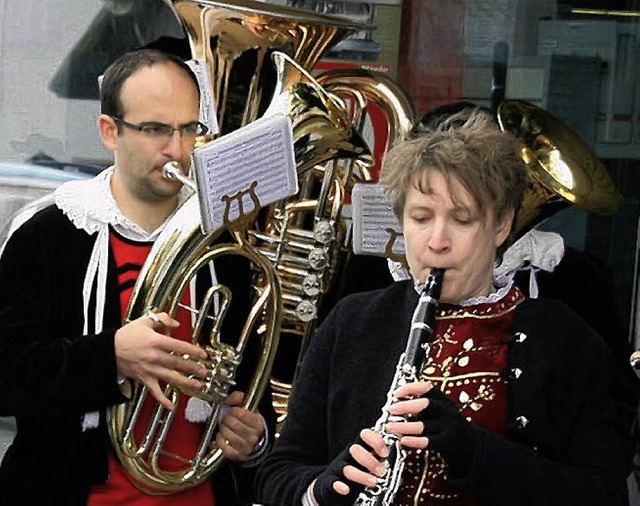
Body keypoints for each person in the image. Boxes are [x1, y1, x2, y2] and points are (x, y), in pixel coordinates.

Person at [254, 108, 628, 505]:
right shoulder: (353, 320)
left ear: (502, 224)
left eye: (462, 219)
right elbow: (279, 474)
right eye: (420, 218)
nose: (437, 241)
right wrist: (323, 487)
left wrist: (471, 450)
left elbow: (604, 493)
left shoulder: (564, 338)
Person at [0, 49, 274, 505]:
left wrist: (255, 435)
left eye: (189, 128)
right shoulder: (50, 233)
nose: (177, 149)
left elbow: (249, 376)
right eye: (155, 129)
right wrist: (111, 356)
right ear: (110, 131)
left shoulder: (223, 247)